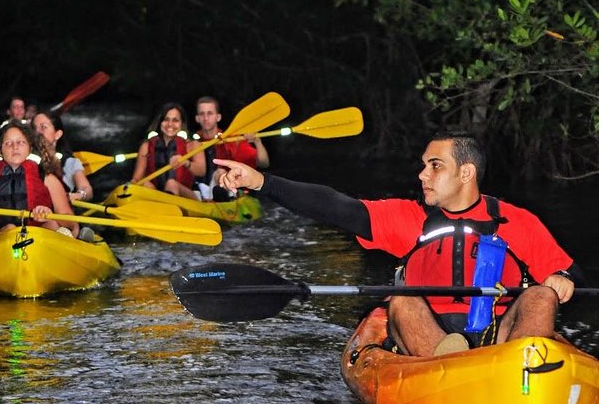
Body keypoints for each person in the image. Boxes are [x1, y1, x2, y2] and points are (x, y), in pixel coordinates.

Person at [215, 130, 581, 357]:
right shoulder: (409, 219)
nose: (422, 174)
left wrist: (563, 277)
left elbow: (568, 271)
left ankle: (523, 369)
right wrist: (262, 182)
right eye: (423, 165)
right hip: (429, 336)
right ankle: (448, 365)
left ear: (466, 173)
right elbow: (334, 206)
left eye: (435, 165)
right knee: (402, 296)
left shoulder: (517, 221)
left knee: (541, 295)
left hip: (500, 336)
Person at [0, 119, 79, 239]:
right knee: (10, 228)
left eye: (21, 142)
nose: (15, 147)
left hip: (42, 238)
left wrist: (49, 215)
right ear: (0, 151)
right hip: (4, 239)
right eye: (8, 143)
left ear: (30, 148)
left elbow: (70, 221)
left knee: (52, 225)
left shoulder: (48, 180)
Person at [192, 96, 269, 200]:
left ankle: (224, 194)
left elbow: (263, 163)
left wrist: (257, 141)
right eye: (202, 114)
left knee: (219, 173)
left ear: (218, 117)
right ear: (197, 118)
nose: (206, 118)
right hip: (199, 192)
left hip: (227, 190)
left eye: (210, 113)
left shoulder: (232, 140)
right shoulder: (190, 142)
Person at [130, 102, 204, 199]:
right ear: (160, 122)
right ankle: (157, 205)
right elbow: (137, 178)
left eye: (175, 120)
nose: (170, 124)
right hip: (157, 193)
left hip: (187, 195)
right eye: (166, 120)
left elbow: (201, 171)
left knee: (171, 184)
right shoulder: (146, 146)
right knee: (144, 183)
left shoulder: (193, 145)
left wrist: (185, 162)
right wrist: (133, 184)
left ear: (182, 124)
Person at [31, 110, 93, 202]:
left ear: (57, 134)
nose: (37, 132)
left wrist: (78, 195)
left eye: (43, 127)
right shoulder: (23, 158)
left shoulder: (70, 163)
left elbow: (86, 189)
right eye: (33, 128)